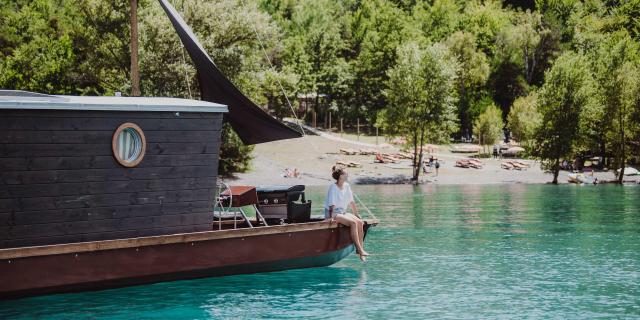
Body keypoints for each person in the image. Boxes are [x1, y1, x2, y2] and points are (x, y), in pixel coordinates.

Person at [324, 166, 369, 262]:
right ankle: (360, 250)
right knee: (353, 223)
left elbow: (351, 202)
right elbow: (331, 204)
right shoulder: (333, 187)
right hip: (333, 213)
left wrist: (356, 214)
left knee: (360, 222)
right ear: (340, 176)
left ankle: (359, 250)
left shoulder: (347, 186)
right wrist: (331, 217)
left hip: (342, 212)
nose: (347, 175)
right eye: (345, 173)